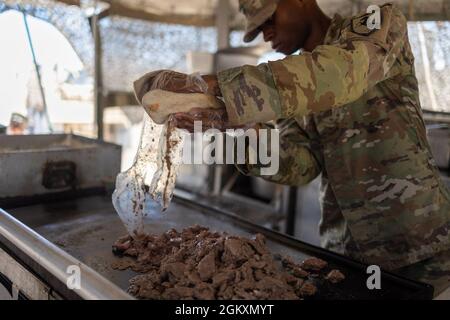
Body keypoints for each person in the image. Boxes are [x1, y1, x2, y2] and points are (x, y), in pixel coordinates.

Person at [147, 0, 450, 296]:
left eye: (268, 19)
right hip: (346, 251)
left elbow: (343, 72)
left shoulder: (378, 21)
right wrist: (244, 131)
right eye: (258, 29)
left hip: (420, 245)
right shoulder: (290, 89)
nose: (266, 34)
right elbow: (301, 165)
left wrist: (218, 87)